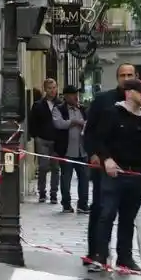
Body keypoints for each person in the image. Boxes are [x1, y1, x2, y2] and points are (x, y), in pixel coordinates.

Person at [88, 78, 141, 274]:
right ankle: (100, 256)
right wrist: (106, 159)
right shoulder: (112, 113)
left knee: (128, 219)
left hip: (136, 174)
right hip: (114, 174)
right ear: (129, 93)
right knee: (107, 214)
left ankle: (125, 258)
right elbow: (98, 139)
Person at [83, 64, 138, 267]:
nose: (126, 78)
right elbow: (89, 132)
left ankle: (125, 257)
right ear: (117, 78)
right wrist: (94, 154)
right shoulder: (103, 100)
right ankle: (96, 253)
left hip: (131, 169)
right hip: (105, 167)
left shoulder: (140, 103)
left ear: (136, 77)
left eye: (129, 75)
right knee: (101, 210)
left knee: (127, 215)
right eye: (122, 75)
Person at [53, 85, 90, 214]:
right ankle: (66, 204)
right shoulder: (59, 109)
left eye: (76, 94)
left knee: (84, 178)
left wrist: (84, 124)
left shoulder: (83, 109)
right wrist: (74, 122)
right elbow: (59, 124)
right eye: (73, 95)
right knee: (65, 179)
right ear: (66, 96)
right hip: (66, 150)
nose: (76, 97)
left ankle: (83, 204)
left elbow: (89, 124)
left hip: (82, 150)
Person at [29, 78, 62, 204]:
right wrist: (35, 136)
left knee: (55, 167)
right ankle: (42, 192)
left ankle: (53, 193)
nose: (52, 90)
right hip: (42, 139)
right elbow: (32, 123)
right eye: (50, 88)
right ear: (45, 89)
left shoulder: (60, 104)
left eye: (54, 87)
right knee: (43, 167)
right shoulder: (38, 105)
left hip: (56, 141)